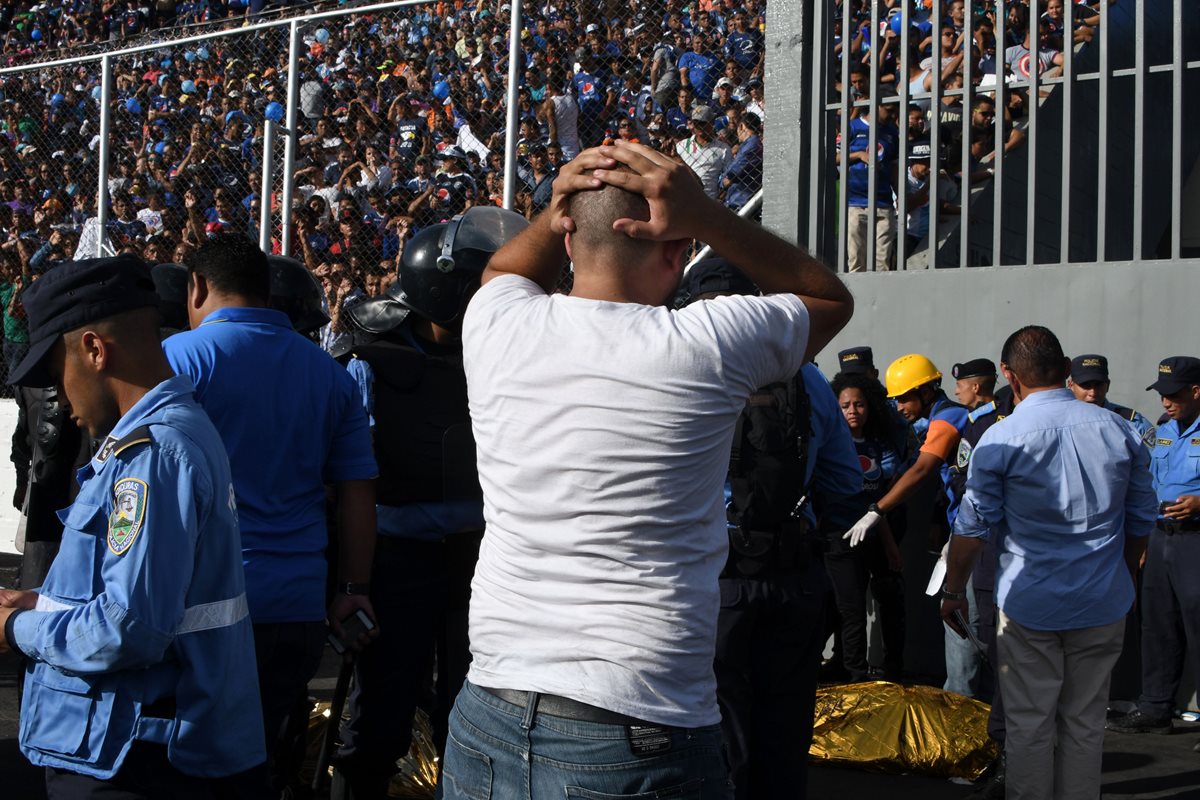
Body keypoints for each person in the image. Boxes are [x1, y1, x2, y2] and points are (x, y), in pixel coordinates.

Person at [441, 140, 853, 799]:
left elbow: (500, 273)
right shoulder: (710, 342)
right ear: (677, 251)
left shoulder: (495, 324)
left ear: (569, 240)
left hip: (490, 704)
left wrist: (558, 210)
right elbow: (826, 296)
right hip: (639, 717)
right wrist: (708, 215)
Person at [0, 254, 267, 797]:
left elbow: (130, 627)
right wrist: (42, 604)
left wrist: (12, 631)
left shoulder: (153, 455)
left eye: (57, 373)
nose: (62, 400)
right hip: (141, 742)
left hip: (140, 755)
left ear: (95, 350)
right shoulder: (155, 440)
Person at [161, 235, 378, 795]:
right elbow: (357, 492)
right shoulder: (331, 374)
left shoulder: (179, 360)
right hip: (296, 605)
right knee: (262, 765)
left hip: (199, 607)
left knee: (184, 771)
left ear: (198, 288)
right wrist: (354, 586)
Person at [330, 207, 528, 799]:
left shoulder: (506, 357)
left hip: (482, 559)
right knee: (380, 716)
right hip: (397, 562)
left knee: (473, 718)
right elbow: (349, 484)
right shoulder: (371, 364)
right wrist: (349, 583)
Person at [942, 325, 1156, 800]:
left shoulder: (1001, 438)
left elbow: (973, 528)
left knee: (1029, 726)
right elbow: (1141, 518)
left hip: (1029, 605)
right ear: (1065, 371)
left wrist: (954, 590)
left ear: (1007, 376)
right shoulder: (1119, 429)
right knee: (1085, 725)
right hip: (1102, 600)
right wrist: (1124, 575)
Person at [676, 259, 860, 800]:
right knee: (786, 718)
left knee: (720, 718)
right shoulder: (808, 379)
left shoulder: (682, 370)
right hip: (794, 574)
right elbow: (845, 482)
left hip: (716, 574)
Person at [1108, 356, 1200, 737]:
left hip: (1196, 541)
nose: (1165, 402)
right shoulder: (1163, 428)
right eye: (1161, 394)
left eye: (1173, 394)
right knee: (1157, 624)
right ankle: (1155, 707)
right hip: (1161, 538)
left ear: (1197, 391)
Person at [947, 383, 1016, 800]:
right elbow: (962, 486)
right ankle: (998, 753)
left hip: (1025, 568)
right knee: (993, 655)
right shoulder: (985, 426)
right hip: (992, 558)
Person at [824, 371, 907, 682]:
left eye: (859, 404)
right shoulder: (830, 444)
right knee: (851, 610)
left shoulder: (876, 446)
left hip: (871, 536)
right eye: (845, 405)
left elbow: (877, 504)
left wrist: (889, 544)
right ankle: (854, 675)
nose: (852, 411)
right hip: (839, 538)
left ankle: (888, 668)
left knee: (882, 604)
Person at [843, 354, 968, 552]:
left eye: (903, 399)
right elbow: (912, 463)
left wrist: (877, 510)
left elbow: (921, 469)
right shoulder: (937, 419)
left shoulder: (947, 418)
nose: (899, 408)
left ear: (926, 392)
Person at [1067, 354, 1155, 445]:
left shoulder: (1133, 423)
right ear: (1070, 385)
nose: (1093, 393)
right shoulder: (1061, 422)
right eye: (1086, 385)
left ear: (1108, 385)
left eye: (1098, 385)